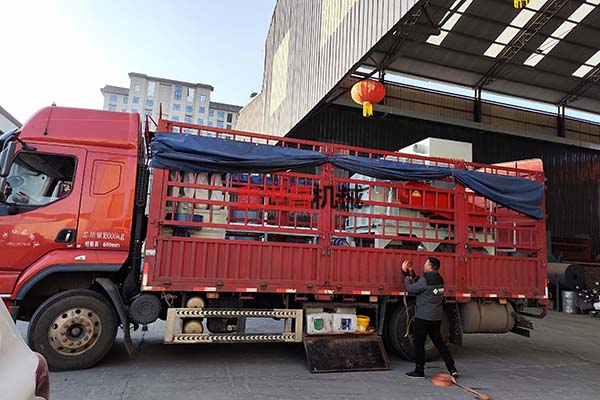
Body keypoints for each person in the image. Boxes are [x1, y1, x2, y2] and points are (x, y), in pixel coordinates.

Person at [402, 257, 458, 379]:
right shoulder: (439, 279)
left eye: (426, 264)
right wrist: (414, 276)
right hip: (436, 317)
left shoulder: (425, 280)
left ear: (430, 267)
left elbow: (411, 289)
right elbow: (425, 286)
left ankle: (419, 371)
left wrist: (406, 278)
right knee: (439, 343)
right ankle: (452, 368)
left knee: (419, 343)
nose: (424, 265)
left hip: (423, 317)